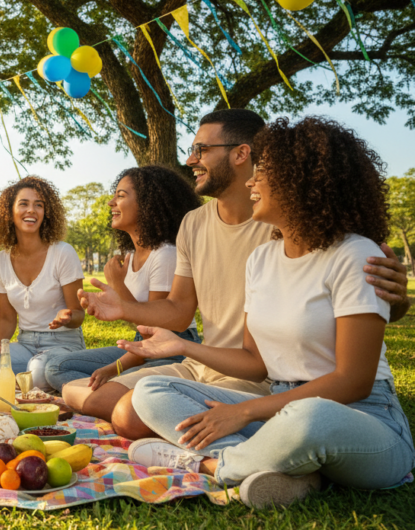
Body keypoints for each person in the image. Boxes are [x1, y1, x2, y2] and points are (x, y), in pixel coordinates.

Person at [124, 117, 415, 509]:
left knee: (311, 419)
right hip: (280, 409)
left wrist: (243, 412)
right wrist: (181, 346)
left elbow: (353, 382)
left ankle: (211, 465)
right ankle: (292, 473)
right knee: (153, 391)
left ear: (303, 182)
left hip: (361, 418)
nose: (250, 183)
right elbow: (254, 362)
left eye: (261, 175)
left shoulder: (354, 254)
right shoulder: (261, 259)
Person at [44, 166, 202, 402]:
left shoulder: (165, 255)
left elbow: (154, 333)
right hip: (139, 349)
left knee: (109, 387)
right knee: (55, 368)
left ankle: (106, 399)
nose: (110, 203)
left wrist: (113, 369)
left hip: (171, 351)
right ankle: (104, 398)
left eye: (120, 196)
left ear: (148, 204)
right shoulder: (130, 255)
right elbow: (140, 337)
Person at [0, 176, 85, 390]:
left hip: (63, 344)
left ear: (45, 214)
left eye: (38, 205)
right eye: (24, 204)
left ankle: (2, 380)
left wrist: (67, 317)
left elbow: (79, 315)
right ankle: (14, 381)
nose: (31, 210)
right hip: (25, 344)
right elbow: (6, 318)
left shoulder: (62, 252)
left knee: (40, 370)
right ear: (9, 212)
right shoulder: (1, 260)